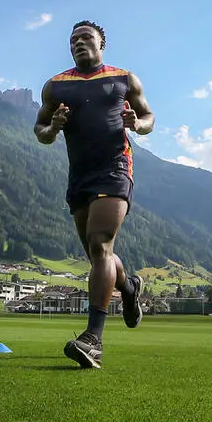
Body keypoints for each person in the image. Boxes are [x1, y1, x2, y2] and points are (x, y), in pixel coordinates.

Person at [34, 20, 155, 369]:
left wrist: (137, 124)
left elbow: (148, 116)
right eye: (73, 40)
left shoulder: (124, 79)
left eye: (86, 37)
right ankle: (129, 288)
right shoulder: (56, 86)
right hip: (80, 177)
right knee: (97, 254)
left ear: (101, 44)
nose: (78, 43)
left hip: (115, 169)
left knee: (101, 244)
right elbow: (40, 130)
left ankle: (93, 340)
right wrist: (54, 127)